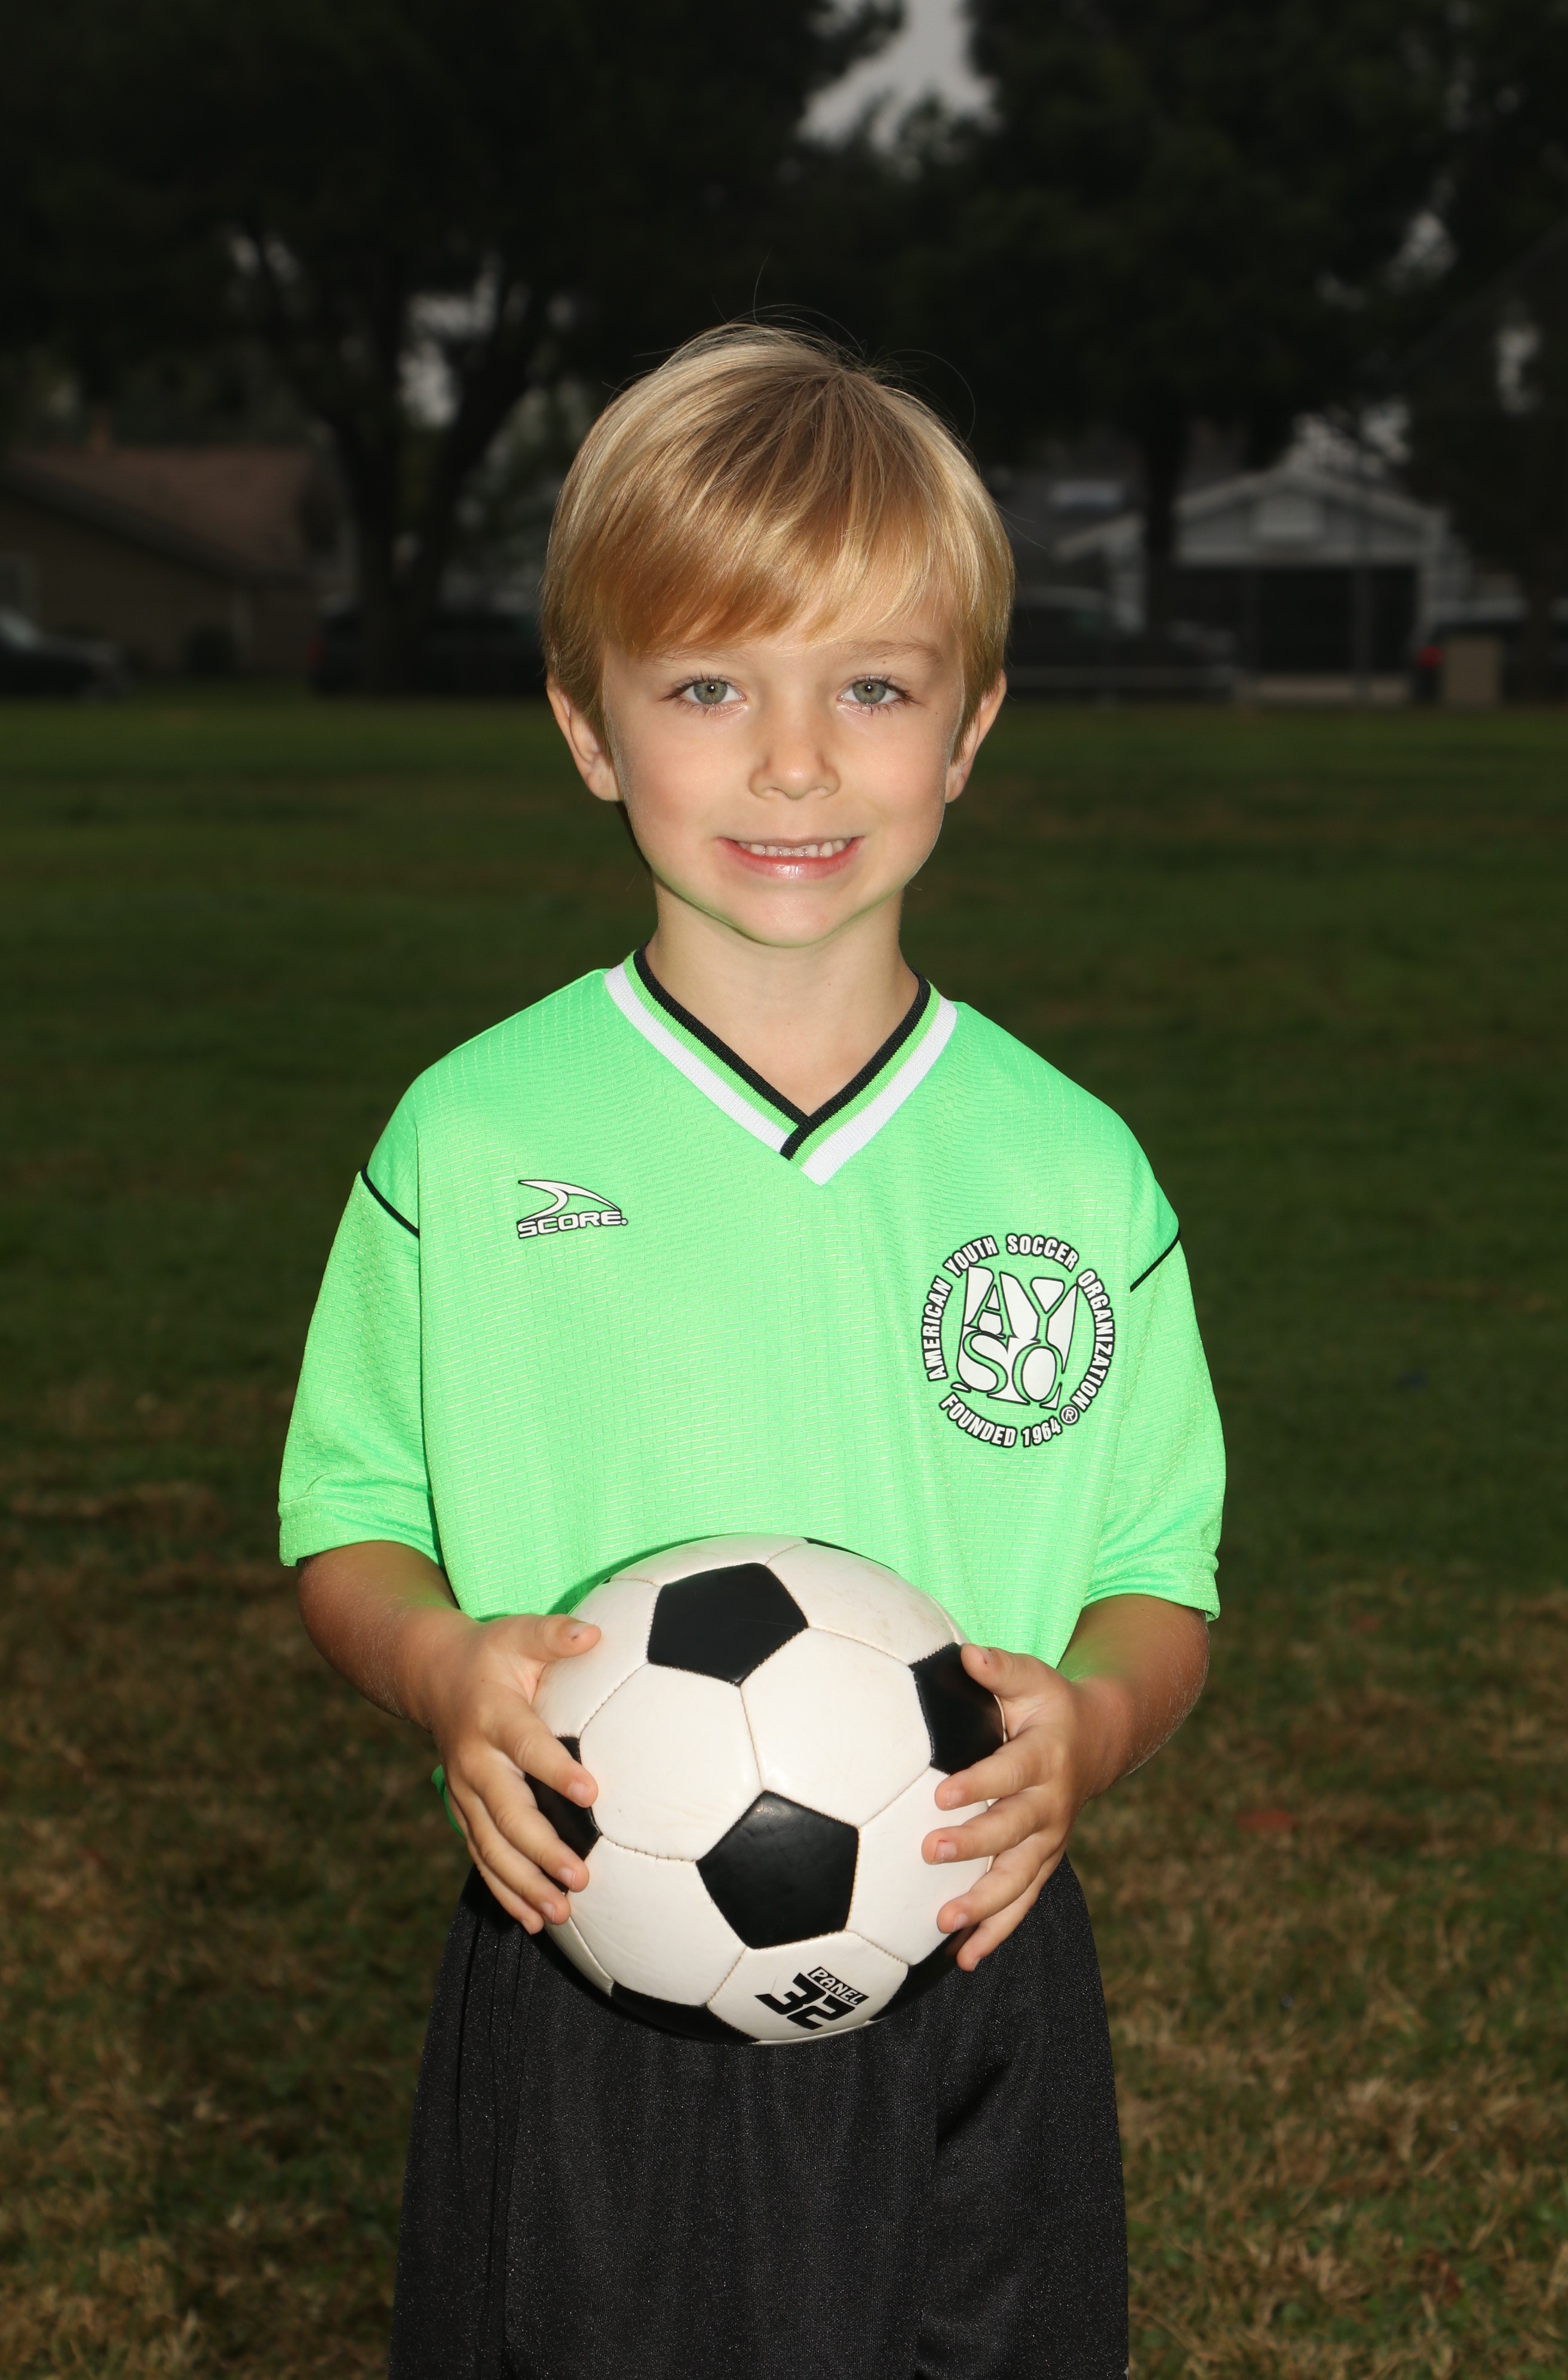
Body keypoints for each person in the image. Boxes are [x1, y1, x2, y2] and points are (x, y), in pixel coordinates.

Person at [280, 326, 1223, 2380]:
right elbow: (347, 1517)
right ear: (589, 726)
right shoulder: (477, 1137)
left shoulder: (1070, 1168)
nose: (795, 762)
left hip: (970, 1954)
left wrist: (1096, 1725)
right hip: (596, 1958)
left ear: (969, 727)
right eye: (710, 688)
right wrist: (441, 1670)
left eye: (870, 689)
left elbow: (1161, 1573)